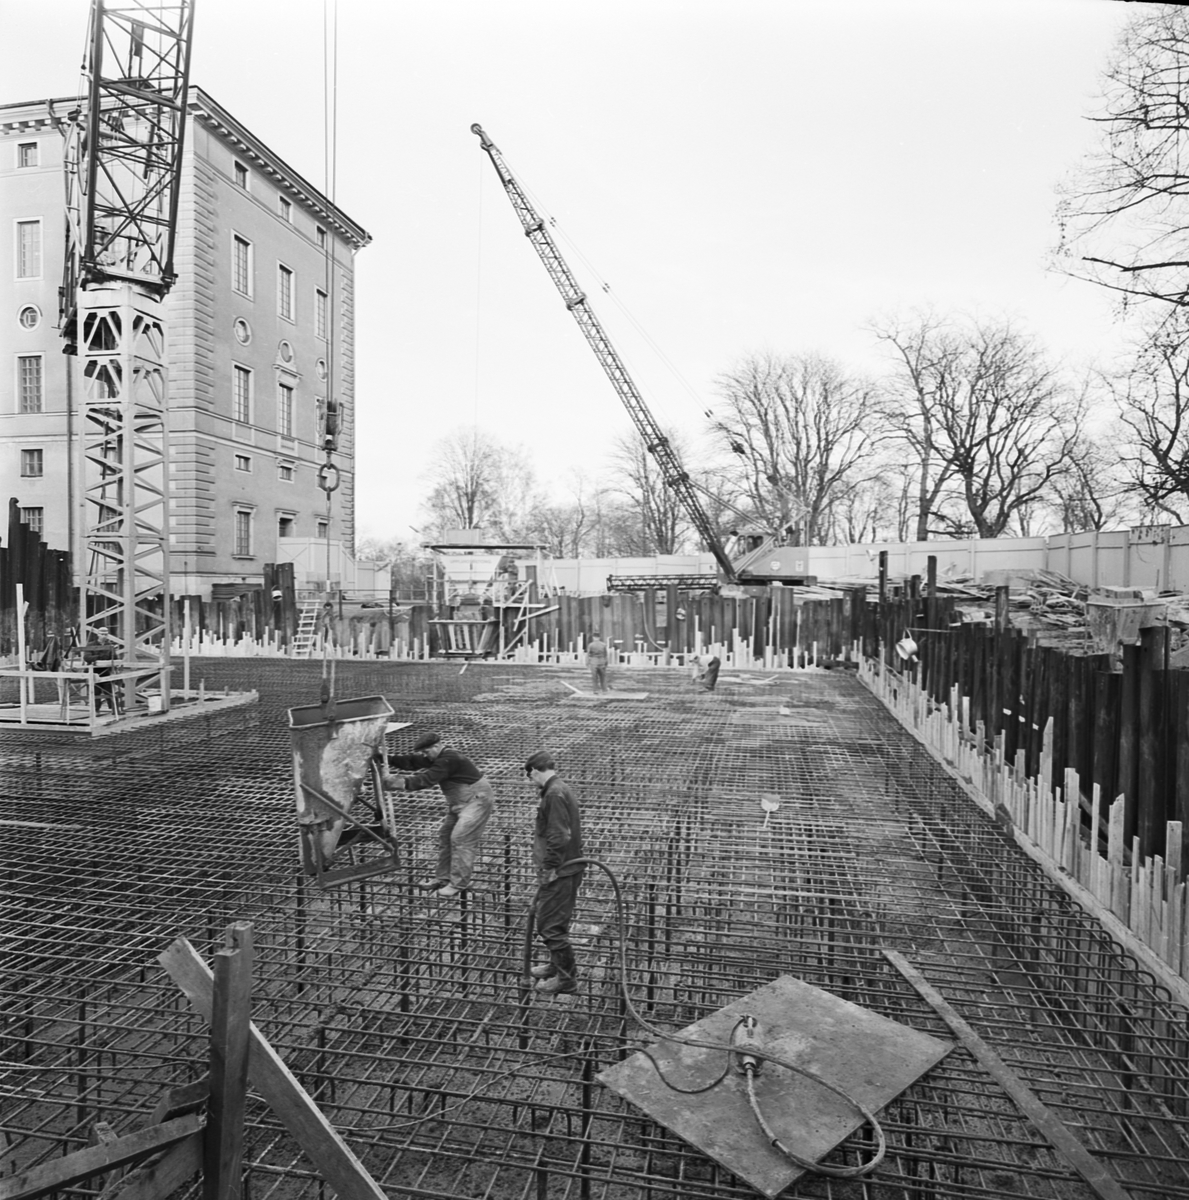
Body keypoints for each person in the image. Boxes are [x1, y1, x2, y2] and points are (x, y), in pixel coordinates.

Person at [384, 733, 495, 897]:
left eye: (426, 752)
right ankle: (442, 878)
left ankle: (458, 884)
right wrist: (387, 758)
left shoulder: (449, 759)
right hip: (459, 802)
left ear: (437, 746)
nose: (424, 755)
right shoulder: (438, 757)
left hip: (476, 800)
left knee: (461, 839)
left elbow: (426, 780)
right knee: (445, 836)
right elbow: (412, 762)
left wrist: (396, 782)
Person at [525, 751, 585, 996]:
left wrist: (549, 867)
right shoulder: (558, 789)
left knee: (550, 926)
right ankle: (555, 965)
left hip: (561, 871)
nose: (531, 782)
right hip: (566, 867)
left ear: (536, 771)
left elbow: (560, 836)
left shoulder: (553, 794)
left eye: (530, 778)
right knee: (554, 922)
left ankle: (567, 979)